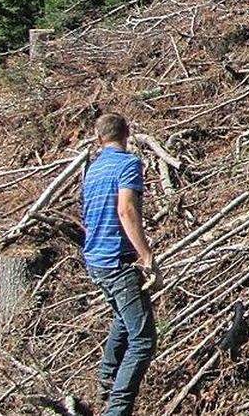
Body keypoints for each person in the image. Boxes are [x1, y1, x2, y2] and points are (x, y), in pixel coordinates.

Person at [81, 113, 161, 416]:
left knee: (122, 318)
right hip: (117, 261)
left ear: (99, 138)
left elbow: (87, 217)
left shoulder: (92, 169)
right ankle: (117, 410)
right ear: (127, 134)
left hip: (95, 258)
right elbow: (126, 210)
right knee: (143, 339)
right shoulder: (128, 164)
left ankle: (106, 379)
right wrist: (146, 257)